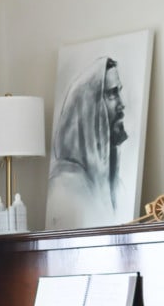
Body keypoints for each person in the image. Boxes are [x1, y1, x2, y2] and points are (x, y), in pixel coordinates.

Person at [45, 56, 128, 229]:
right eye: (113, 94)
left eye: (119, 91)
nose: (122, 104)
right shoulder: (64, 186)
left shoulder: (118, 187)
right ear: (91, 105)